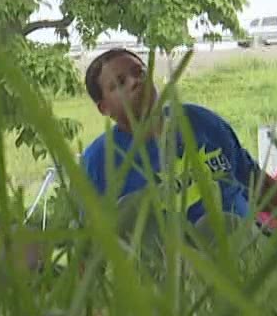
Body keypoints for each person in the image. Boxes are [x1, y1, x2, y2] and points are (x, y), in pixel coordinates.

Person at [78, 47, 267, 235]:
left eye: (140, 72)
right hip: (172, 261)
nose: (135, 82)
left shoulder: (200, 120)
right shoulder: (99, 161)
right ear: (104, 108)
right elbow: (92, 240)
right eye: (120, 83)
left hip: (253, 247)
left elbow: (254, 178)